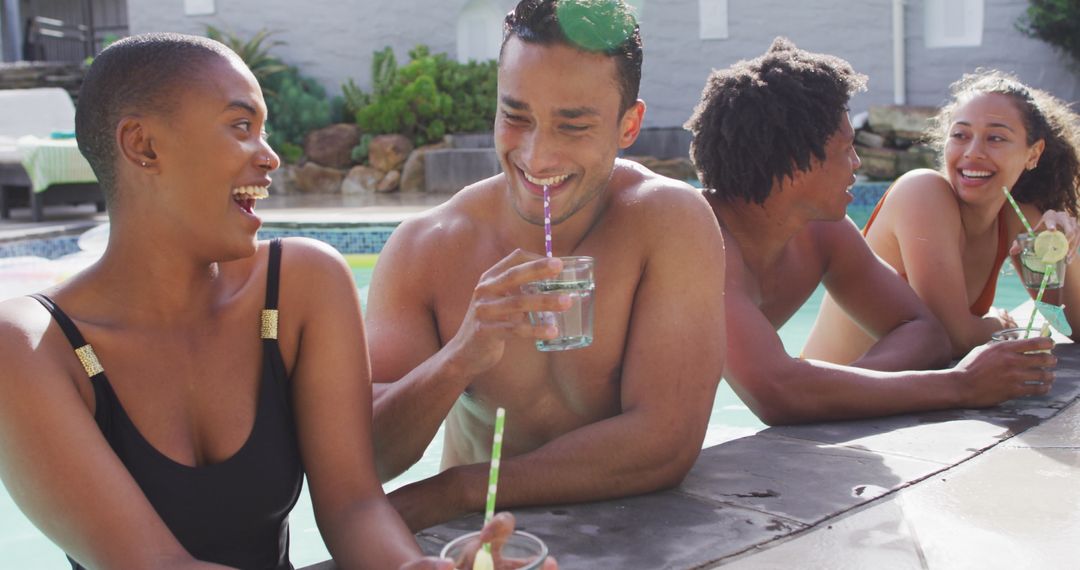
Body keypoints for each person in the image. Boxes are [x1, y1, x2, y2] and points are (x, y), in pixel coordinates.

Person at [0, 33, 548, 570]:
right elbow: (156, 563)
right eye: (241, 127)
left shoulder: (302, 285)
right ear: (143, 145)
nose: (271, 158)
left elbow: (354, 505)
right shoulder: (32, 346)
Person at [367, 0, 726, 531]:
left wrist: (464, 488)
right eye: (516, 117)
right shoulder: (429, 248)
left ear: (629, 125)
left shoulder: (669, 223)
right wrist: (462, 356)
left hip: (629, 535)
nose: (537, 157)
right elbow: (368, 457)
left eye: (573, 126)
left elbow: (665, 442)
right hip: (480, 548)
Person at [684, 38, 1055, 427]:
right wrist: (961, 385)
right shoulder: (698, 240)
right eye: (846, 149)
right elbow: (778, 394)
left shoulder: (824, 232)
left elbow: (926, 334)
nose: (857, 163)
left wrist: (840, 390)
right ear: (796, 164)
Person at [803, 69, 1080, 361]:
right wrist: (999, 324)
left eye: (995, 138)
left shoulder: (1015, 216)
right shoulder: (921, 192)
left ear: (1033, 153)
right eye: (960, 135)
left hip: (894, 401)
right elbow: (953, 337)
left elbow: (1072, 325)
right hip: (822, 402)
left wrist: (1057, 250)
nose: (973, 152)